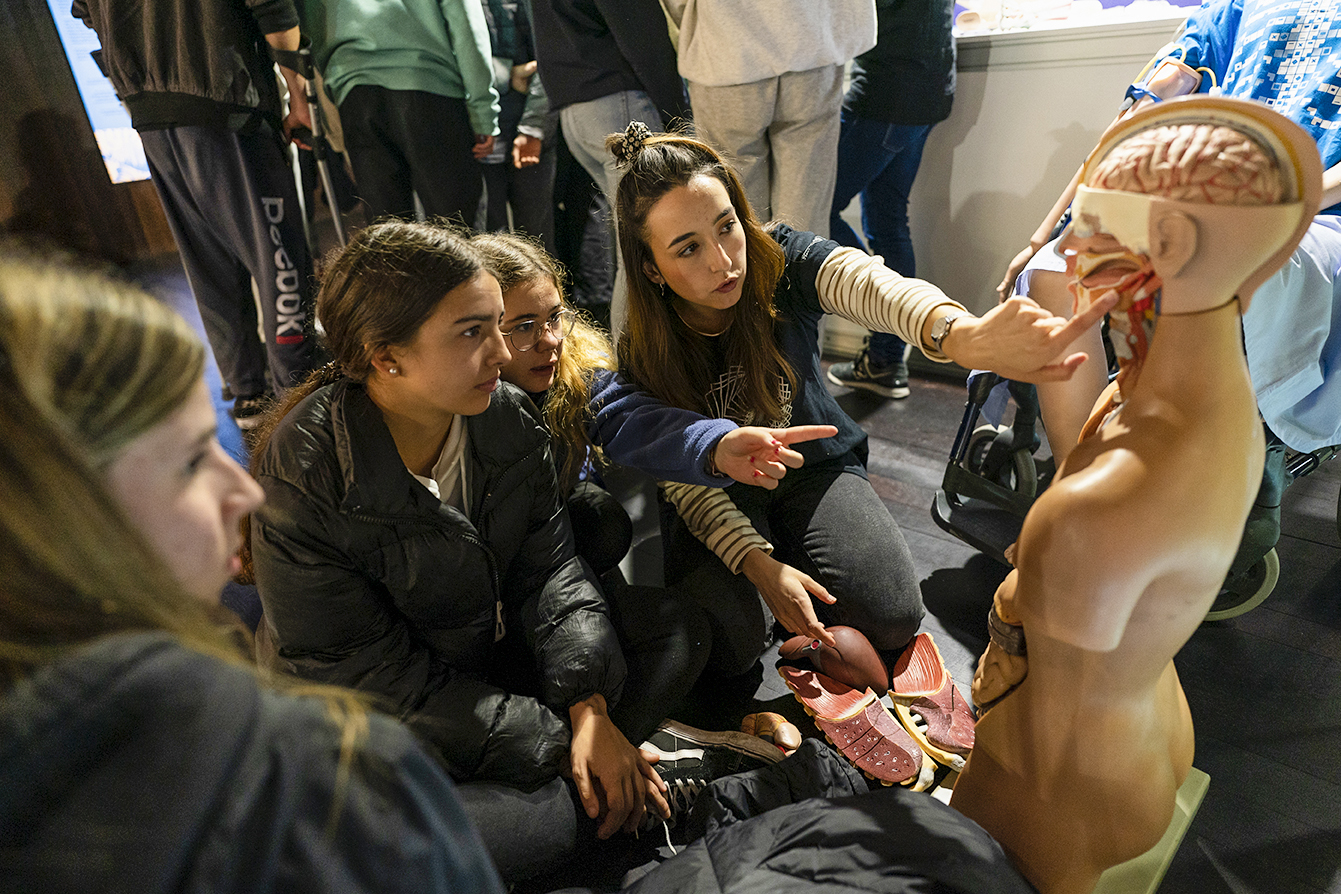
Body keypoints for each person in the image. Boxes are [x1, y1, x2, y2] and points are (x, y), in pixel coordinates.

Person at [246, 220, 783, 885]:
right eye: (473, 332)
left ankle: (610, 785)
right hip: (371, 727)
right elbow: (375, 683)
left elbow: (550, 570)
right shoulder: (305, 475)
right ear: (386, 358)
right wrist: (561, 743)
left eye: (500, 325)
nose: (502, 352)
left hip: (480, 667)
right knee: (447, 848)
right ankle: (633, 785)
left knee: (675, 630)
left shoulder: (502, 414)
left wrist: (588, 709)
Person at [0, 246, 505, 893]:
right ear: (55, 512)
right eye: (191, 460)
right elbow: (365, 673)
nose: (243, 491)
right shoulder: (322, 780)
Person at [588, 125, 1114, 718]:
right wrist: (758, 564)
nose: (722, 261)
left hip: (813, 469)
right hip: (721, 495)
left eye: (726, 226)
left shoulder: (778, 260)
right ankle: (783, 583)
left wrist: (960, 334)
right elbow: (681, 475)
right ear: (652, 269)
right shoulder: (647, 348)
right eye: (686, 249)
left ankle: (804, 577)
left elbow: (866, 283)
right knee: (727, 647)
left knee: (894, 615)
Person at [952, 96, 1320, 893]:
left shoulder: (1098, 509)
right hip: (1153, 743)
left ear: (1171, 242)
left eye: (1088, 223)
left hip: (1063, 804)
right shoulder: (1218, 407)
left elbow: (1049, 732)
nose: (1066, 246)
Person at [999, 0, 1341, 465]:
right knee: (1055, 271)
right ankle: (1083, 482)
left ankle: (1170, 479)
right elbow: (1143, 112)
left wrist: (1279, 208)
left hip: (1320, 215)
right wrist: (1044, 235)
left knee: (1210, 262)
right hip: (1217, 204)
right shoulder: (1235, 7)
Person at [72, 0, 319, 428]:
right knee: (276, 252)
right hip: (224, 98)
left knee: (207, 261)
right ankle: (298, 387)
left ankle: (248, 390)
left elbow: (86, 12)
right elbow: (272, 7)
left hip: (150, 113)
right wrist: (299, 95)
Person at [529, 0, 691, 337]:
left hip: (576, 109)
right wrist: (679, 117)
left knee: (633, 249)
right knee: (643, 252)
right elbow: (642, 35)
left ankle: (631, 358)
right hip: (619, 103)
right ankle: (635, 360)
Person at [825, 0, 956, 400]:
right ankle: (885, 359)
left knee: (816, 210)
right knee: (889, 221)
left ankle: (883, 329)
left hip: (885, 92)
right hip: (930, 90)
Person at [661, 0, 875, 236]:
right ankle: (797, 261)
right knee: (805, 209)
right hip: (813, 46)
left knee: (738, 207)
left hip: (726, 49)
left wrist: (700, 25)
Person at [300, 0, 499, 224]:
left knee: (388, 234)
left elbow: (306, 25)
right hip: (429, 85)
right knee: (457, 228)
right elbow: (467, 26)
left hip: (354, 91)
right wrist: (483, 111)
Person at [478, 0, 558, 251]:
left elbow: (549, 56)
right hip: (481, 133)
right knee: (488, 244)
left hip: (526, 129)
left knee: (537, 242)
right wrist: (507, 74)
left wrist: (533, 128)